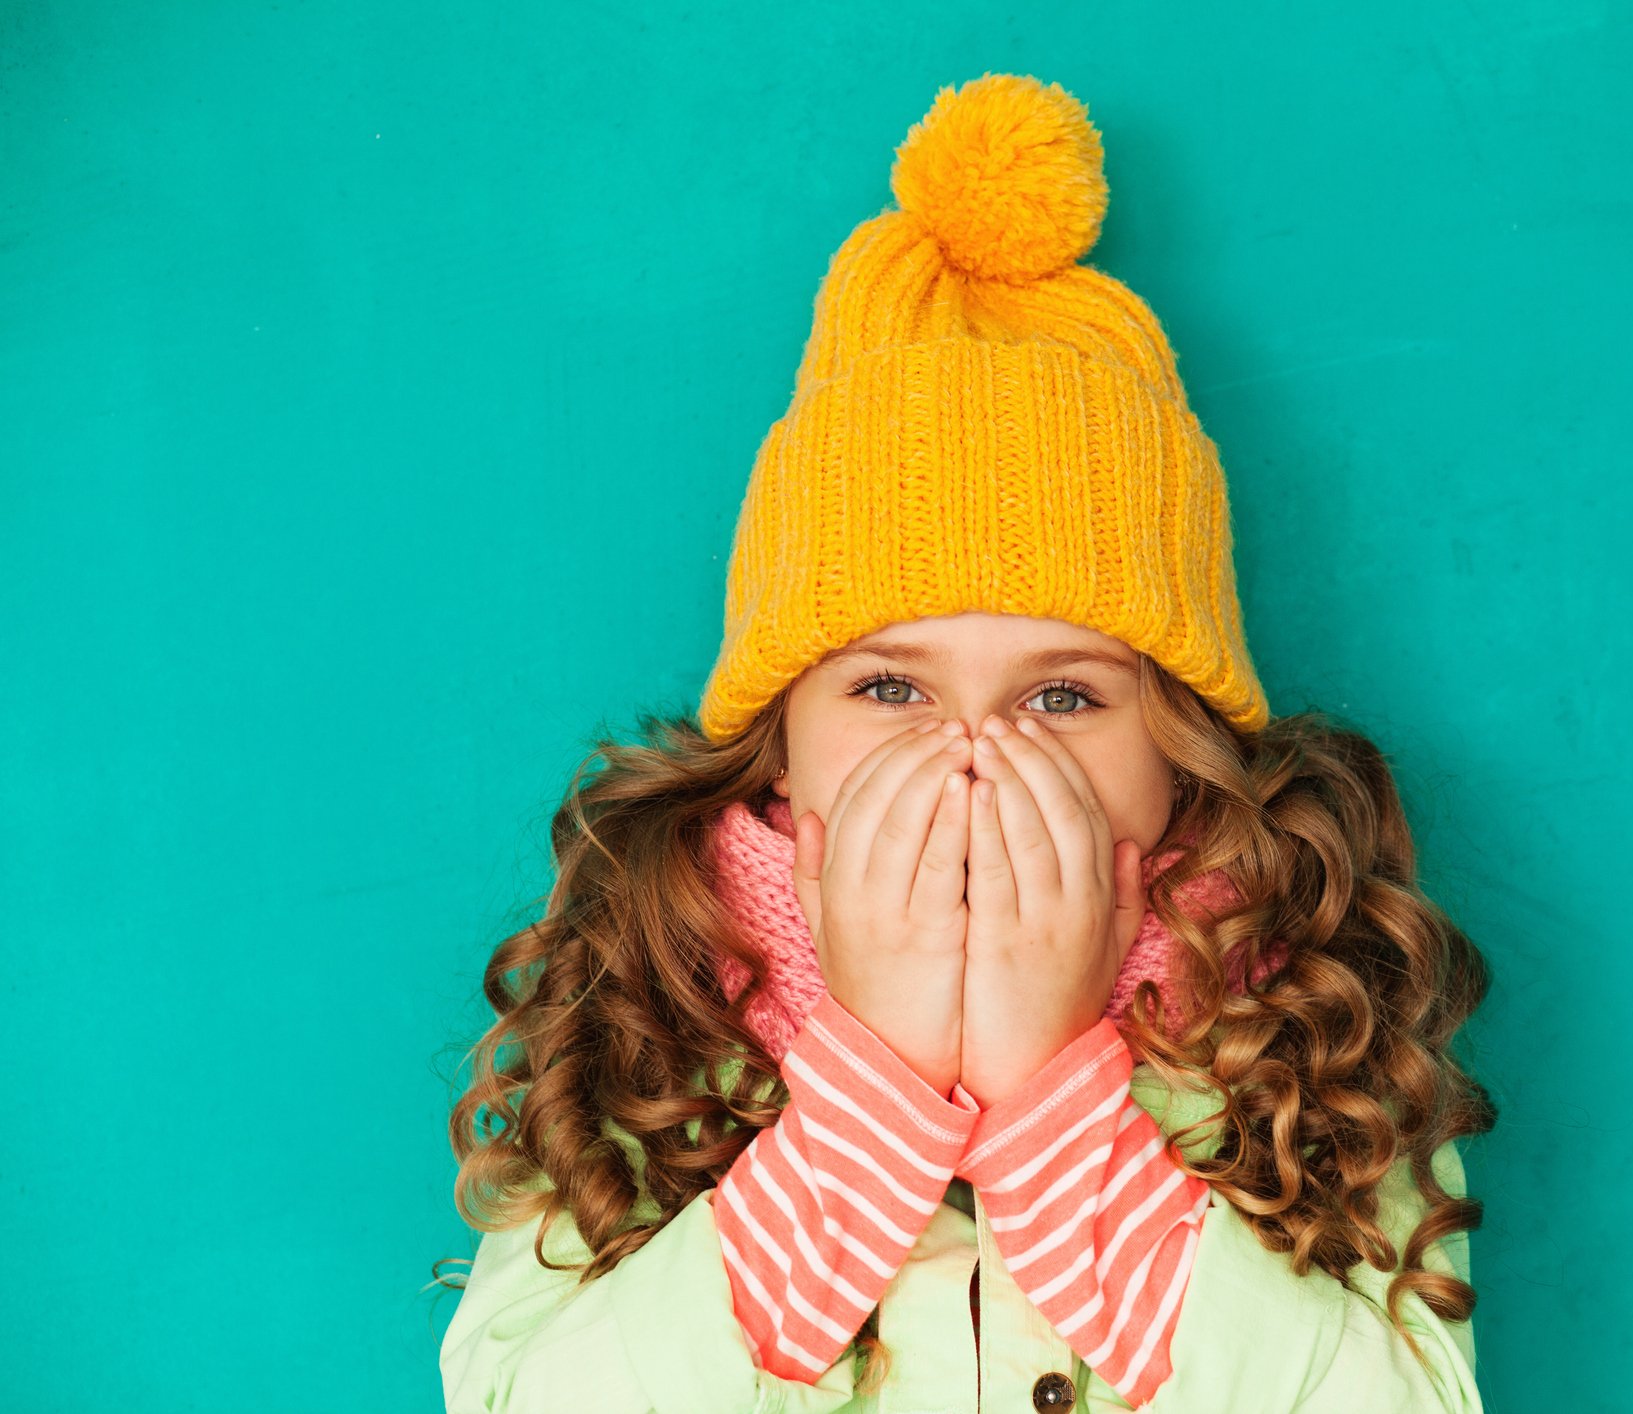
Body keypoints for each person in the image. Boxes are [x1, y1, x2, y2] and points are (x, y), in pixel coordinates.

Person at [435, 71, 1495, 1414]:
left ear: (1177, 756)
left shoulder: (1303, 1021)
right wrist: (865, 1092)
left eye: (1063, 696)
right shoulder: (651, 1010)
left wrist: (1053, 1092)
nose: (976, 756)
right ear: (777, 751)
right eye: (889, 690)